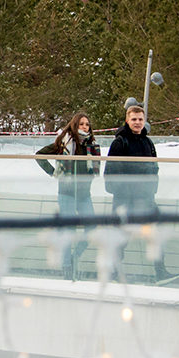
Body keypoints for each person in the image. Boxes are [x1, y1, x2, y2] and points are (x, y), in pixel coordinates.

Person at [105, 104, 173, 282]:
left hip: (146, 199)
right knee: (121, 237)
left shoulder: (148, 142)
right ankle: (113, 272)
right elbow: (110, 175)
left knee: (156, 233)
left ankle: (161, 272)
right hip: (125, 200)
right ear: (127, 120)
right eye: (134, 119)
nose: (137, 122)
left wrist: (151, 191)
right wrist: (126, 192)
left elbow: (154, 168)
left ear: (144, 121)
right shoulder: (119, 143)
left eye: (140, 119)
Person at [36, 112, 100, 278]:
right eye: (81, 124)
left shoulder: (92, 144)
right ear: (74, 125)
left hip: (84, 193)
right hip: (67, 192)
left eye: (87, 124)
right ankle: (66, 267)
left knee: (92, 227)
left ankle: (73, 258)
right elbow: (39, 156)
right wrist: (54, 172)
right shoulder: (64, 142)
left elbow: (93, 168)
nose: (85, 127)